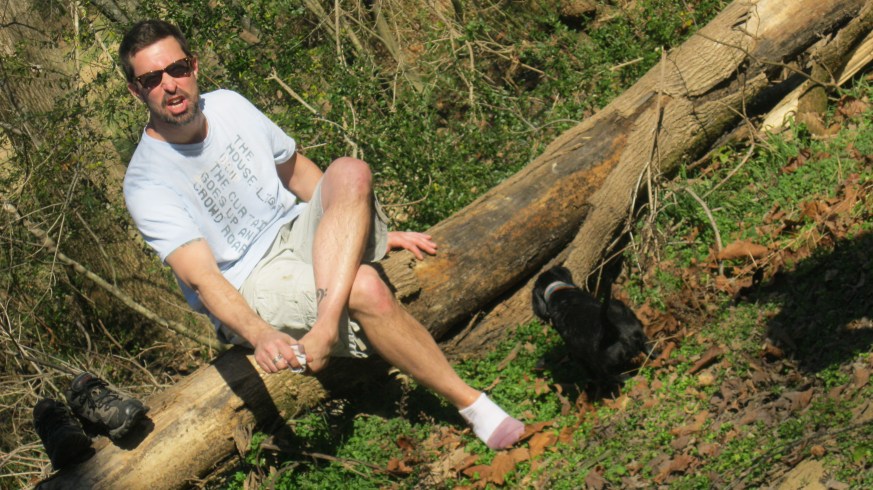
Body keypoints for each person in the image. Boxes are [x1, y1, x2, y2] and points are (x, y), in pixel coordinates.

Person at [119, 19, 524, 450]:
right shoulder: (147, 182)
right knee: (365, 286)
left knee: (350, 169)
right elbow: (204, 279)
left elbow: (296, 173)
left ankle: (325, 328)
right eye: (151, 79)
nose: (170, 85)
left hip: (296, 230)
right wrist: (260, 334)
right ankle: (474, 406)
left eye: (177, 68)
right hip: (248, 280)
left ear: (194, 66)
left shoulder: (230, 106)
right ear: (136, 91)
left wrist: (363, 230)